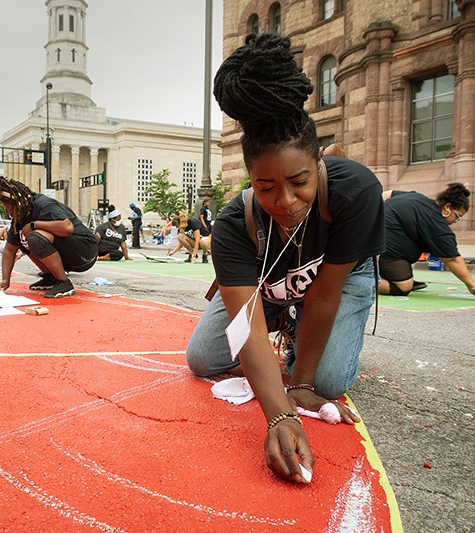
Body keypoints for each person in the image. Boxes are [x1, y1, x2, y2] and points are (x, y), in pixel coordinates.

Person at [186, 33, 385, 483]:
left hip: (331, 283)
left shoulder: (355, 191)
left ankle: (296, 333)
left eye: (299, 181)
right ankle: (283, 319)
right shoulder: (235, 224)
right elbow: (245, 325)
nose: (286, 201)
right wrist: (279, 415)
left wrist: (299, 387)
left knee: (327, 383)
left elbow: (324, 297)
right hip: (269, 286)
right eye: (266, 187)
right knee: (202, 359)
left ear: (318, 161)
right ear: (250, 180)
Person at [0, 177, 98, 298]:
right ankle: (51, 277)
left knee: (35, 237)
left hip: (86, 251)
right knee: (23, 238)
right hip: (70, 253)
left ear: (19, 203)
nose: (9, 213)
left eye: (10, 209)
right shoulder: (20, 218)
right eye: (6, 210)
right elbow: (10, 249)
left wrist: (34, 225)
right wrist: (5, 279)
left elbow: (67, 227)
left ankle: (63, 282)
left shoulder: (44, 204)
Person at [379, 184, 475, 297]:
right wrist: (471, 284)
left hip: (370, 236)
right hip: (384, 246)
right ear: (447, 207)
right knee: (403, 287)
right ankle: (361, 282)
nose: (455, 221)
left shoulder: (418, 197)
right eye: (457, 216)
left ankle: (376, 275)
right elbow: (452, 259)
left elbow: (387, 194)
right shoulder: (438, 225)